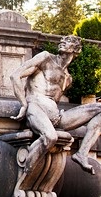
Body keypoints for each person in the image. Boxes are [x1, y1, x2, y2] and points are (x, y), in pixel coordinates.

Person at [10, 34, 101, 177]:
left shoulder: (67, 78)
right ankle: (27, 173)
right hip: (36, 107)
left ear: (76, 50)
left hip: (56, 116)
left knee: (100, 110)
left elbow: (54, 103)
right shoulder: (46, 58)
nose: (63, 41)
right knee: (51, 137)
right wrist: (23, 104)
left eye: (68, 41)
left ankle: (82, 154)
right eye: (63, 40)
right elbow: (15, 75)